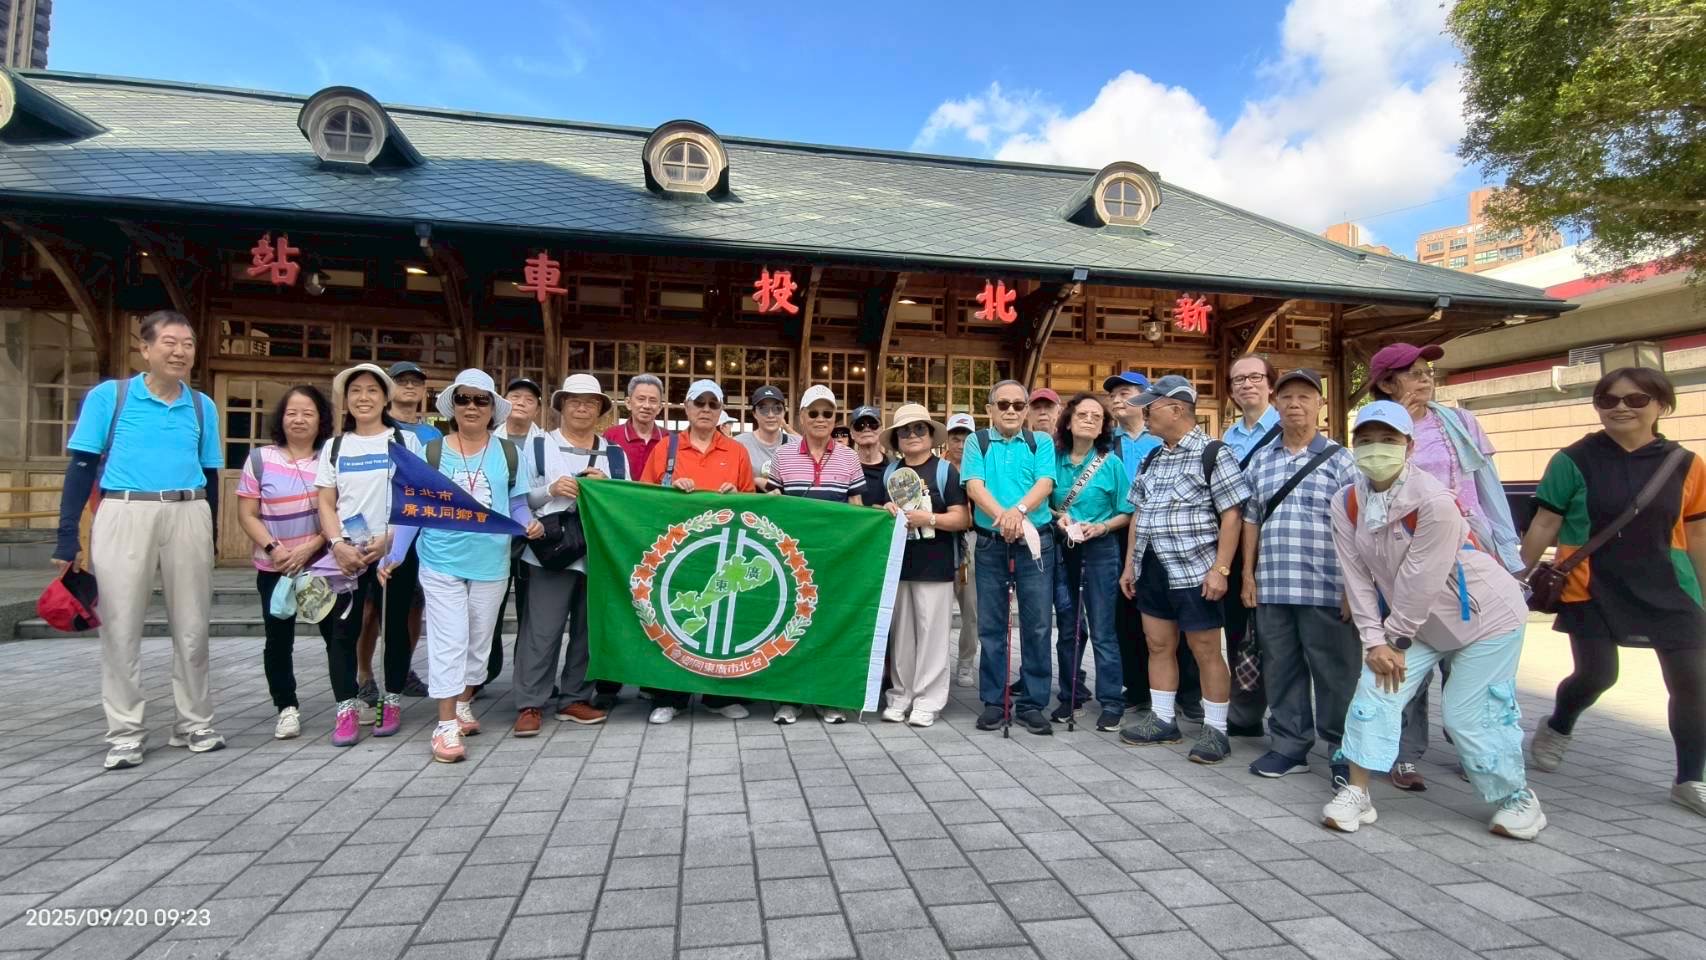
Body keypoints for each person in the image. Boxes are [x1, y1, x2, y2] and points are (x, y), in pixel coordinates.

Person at [1322, 401, 1545, 840]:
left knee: (1469, 715)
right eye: (1365, 441)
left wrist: (1396, 640)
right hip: (1416, 625)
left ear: (1409, 445)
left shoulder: (1433, 500)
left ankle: (1517, 799)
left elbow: (1422, 579)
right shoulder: (1346, 502)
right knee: (1374, 692)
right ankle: (1358, 792)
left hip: (1488, 620)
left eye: (1388, 440)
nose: (1375, 450)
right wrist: (1374, 642)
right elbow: (1357, 579)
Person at [1522, 367, 1706, 818]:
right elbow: (1545, 523)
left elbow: (1698, 535)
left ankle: (1690, 779)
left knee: (1693, 682)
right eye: (1608, 399)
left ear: (1662, 407)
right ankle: (1559, 724)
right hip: (1590, 585)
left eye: (1636, 399)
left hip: (1671, 586)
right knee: (1598, 676)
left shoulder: (1687, 464)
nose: (1621, 407)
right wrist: (1514, 579)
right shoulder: (1573, 459)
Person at [55, 310, 225, 770]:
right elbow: (82, 467)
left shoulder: (201, 405)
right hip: (125, 509)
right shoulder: (110, 397)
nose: (179, 351)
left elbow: (211, 473)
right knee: (122, 627)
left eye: (187, 343)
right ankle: (126, 731)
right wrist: (66, 537)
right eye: (169, 342)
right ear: (145, 348)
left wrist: (210, 534)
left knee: (192, 628)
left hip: (189, 509)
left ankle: (194, 722)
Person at [1369, 342, 1522, 791]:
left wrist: (1508, 555)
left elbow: (1489, 489)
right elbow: (1373, 494)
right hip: (1405, 559)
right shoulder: (1375, 431)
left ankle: (1477, 750)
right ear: (1385, 383)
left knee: (1472, 658)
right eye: (1412, 373)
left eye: (1426, 370)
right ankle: (1404, 754)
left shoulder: (1460, 423)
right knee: (1409, 658)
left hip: (1469, 554)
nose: (1425, 378)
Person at [381, 369, 540, 763]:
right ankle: (446, 725)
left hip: (491, 561)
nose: (472, 407)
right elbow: (412, 509)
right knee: (449, 639)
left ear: (492, 409)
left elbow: (517, 504)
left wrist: (527, 524)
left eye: (481, 400)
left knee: (479, 642)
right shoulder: (431, 452)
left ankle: (465, 699)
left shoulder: (508, 453)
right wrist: (396, 554)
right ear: (453, 406)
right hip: (440, 559)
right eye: (464, 399)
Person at [1118, 375, 1250, 765]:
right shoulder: (1153, 456)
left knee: (1206, 649)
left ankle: (1216, 729)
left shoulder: (1214, 453)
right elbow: (1139, 514)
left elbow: (1232, 515)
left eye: (1151, 407)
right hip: (1152, 567)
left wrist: (1221, 569)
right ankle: (1162, 719)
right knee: (1158, 644)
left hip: (1196, 569)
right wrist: (1130, 565)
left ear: (1177, 409)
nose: (1145, 413)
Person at [1238, 369, 1359, 780]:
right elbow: (1250, 520)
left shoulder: (1343, 461)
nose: (1295, 404)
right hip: (1273, 584)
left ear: (1320, 405)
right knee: (1281, 668)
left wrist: (1353, 588)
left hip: (1327, 586)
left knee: (1336, 673)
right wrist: (1248, 576)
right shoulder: (1261, 461)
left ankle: (1344, 749)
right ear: (1276, 404)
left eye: (1305, 397)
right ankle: (1289, 745)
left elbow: (1358, 527)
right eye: (1287, 397)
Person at [512, 374, 629, 736]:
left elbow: (627, 502)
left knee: (587, 629)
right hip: (551, 552)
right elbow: (518, 498)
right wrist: (550, 490)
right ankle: (530, 701)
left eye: (591, 402)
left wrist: (604, 488)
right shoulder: (536, 447)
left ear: (601, 410)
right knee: (541, 630)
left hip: (598, 553)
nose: (582, 407)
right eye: (575, 400)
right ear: (561, 405)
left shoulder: (615, 454)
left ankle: (575, 696)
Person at [316, 363, 424, 741]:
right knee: (344, 630)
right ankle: (346, 706)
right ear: (346, 400)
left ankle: (391, 699)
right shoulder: (335, 446)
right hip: (348, 553)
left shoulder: (405, 443)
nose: (364, 398)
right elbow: (327, 503)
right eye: (356, 391)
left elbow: (415, 496)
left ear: (385, 397)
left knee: (395, 627)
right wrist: (337, 545)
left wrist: (390, 541)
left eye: (372, 391)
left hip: (395, 550)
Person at [639, 379, 756, 724]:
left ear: (721, 412)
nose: (706, 409)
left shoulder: (737, 452)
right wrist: (671, 491)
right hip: (678, 553)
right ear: (686, 408)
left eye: (713, 404)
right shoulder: (665, 448)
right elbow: (644, 498)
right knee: (674, 619)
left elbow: (752, 502)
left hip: (721, 552)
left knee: (721, 623)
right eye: (699, 403)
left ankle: (719, 697)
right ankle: (669, 696)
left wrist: (736, 493)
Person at [764, 384, 866, 724]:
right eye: (813, 413)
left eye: (827, 413)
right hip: (792, 559)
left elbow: (857, 508)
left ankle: (827, 698)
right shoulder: (782, 456)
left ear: (834, 418)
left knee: (828, 627)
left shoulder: (850, 457)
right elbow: (773, 505)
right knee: (789, 626)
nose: (820, 419)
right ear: (801, 418)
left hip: (836, 559)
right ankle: (788, 698)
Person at [236, 385, 333, 741]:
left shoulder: (330, 458)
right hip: (274, 567)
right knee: (279, 639)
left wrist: (311, 548)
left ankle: (347, 700)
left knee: (335, 636)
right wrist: (275, 548)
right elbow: (247, 513)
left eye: (308, 412)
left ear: (321, 418)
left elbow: (338, 512)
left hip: (322, 565)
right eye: (292, 412)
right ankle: (286, 706)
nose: (299, 419)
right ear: (281, 417)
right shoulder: (260, 459)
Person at [962, 380, 1057, 736]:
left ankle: (1033, 703)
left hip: (1035, 542)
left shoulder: (1040, 442)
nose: (1012, 411)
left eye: (1019, 405)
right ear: (990, 409)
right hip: (991, 542)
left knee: (1037, 625)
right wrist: (1005, 518)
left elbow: (1045, 484)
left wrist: (1017, 512)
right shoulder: (978, 441)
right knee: (991, 626)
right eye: (1003, 404)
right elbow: (974, 486)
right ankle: (994, 701)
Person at [869, 404, 969, 727]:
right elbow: (874, 511)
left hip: (936, 565)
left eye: (919, 429)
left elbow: (962, 517)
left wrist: (929, 518)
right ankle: (900, 694)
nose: (912, 436)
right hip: (899, 566)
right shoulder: (888, 472)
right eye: (905, 431)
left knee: (932, 633)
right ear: (896, 438)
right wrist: (883, 508)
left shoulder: (945, 471)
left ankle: (929, 699)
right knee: (901, 635)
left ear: (930, 435)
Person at [1105, 371, 1195, 719]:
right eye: (1112, 394)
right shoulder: (1106, 442)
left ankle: (1188, 693)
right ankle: (1139, 688)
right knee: (1127, 617)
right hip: (1119, 534)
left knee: (1179, 619)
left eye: (1124, 392)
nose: (1116, 400)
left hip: (1171, 538)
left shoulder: (1162, 439)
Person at [1049, 393, 1131, 733]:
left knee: (1103, 629)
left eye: (1097, 417)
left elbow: (1127, 511)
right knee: (1068, 627)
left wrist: (1101, 527)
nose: (1089, 420)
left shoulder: (1111, 463)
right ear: (1068, 421)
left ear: (1103, 427)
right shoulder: (1051, 459)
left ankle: (1112, 701)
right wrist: (1059, 518)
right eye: (1082, 414)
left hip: (1101, 550)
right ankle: (1070, 696)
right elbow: (1041, 500)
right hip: (1062, 548)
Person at [1220, 356, 1284, 738]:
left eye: (1255, 377)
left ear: (1270, 384)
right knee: (1240, 632)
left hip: (1276, 543)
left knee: (1277, 634)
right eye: (1238, 379)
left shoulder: (1285, 427)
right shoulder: (1228, 437)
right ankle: (1245, 712)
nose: (1247, 385)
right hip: (1235, 543)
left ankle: (1286, 717)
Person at [598, 373, 667, 709]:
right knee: (616, 604)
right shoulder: (609, 438)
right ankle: (607, 683)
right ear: (628, 401)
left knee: (651, 607)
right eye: (641, 399)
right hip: (617, 534)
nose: (647, 406)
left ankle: (651, 680)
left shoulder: (670, 441)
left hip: (654, 537)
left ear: (661, 405)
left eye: (653, 400)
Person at [380, 361, 440, 705]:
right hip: (381, 525)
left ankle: (403, 670)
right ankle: (363, 675)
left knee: (414, 604)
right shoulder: (380, 427)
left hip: (421, 529)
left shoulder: (432, 435)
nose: (409, 388)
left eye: (416, 383)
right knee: (375, 608)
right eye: (401, 381)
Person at [482, 377, 545, 693]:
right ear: (502, 404)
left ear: (537, 408)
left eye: (529, 398)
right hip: (489, 539)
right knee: (485, 611)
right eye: (514, 396)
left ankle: (526, 679)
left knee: (530, 611)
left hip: (533, 536)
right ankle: (480, 674)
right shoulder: (486, 441)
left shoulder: (544, 444)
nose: (521, 402)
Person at [945, 412, 979, 687]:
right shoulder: (938, 467)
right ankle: (937, 665)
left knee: (972, 609)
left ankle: (966, 664)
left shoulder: (981, 467)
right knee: (939, 610)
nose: (960, 444)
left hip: (973, 541)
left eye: (966, 438)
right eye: (955, 438)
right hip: (943, 540)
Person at [739, 384, 795, 491]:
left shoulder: (797, 444)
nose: (770, 415)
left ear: (784, 412)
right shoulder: (739, 444)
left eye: (777, 409)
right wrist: (754, 481)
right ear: (754, 413)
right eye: (764, 409)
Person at [849, 405, 890, 494]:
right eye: (860, 425)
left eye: (873, 424)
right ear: (852, 434)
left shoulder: (894, 467)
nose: (866, 429)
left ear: (882, 430)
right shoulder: (845, 467)